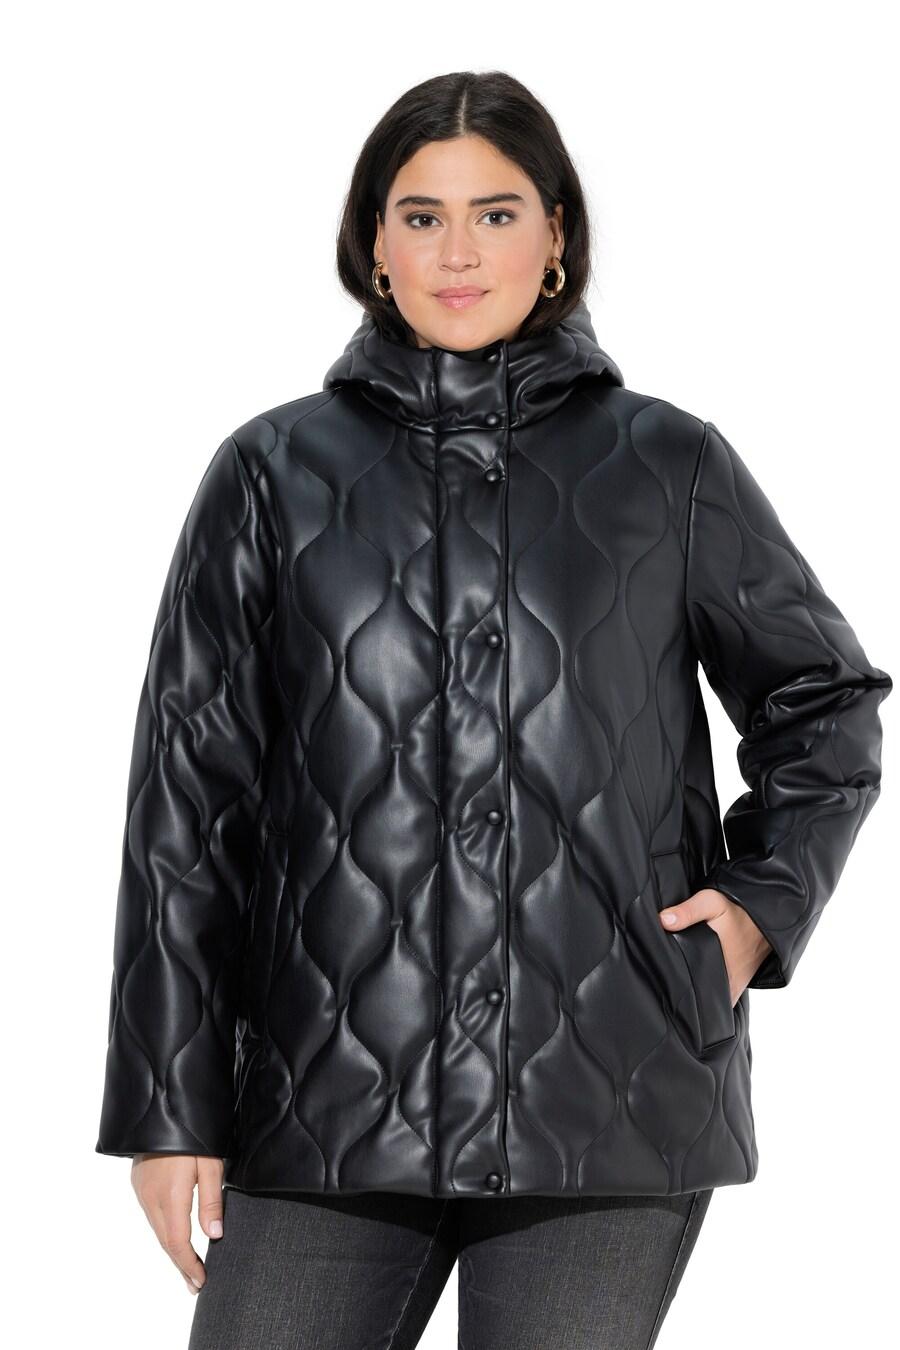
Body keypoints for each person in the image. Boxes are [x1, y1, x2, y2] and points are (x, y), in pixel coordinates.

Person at [95, 71, 892, 1350]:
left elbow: (826, 703)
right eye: (421, 217)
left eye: (497, 213)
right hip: (323, 1093)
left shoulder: (667, 464)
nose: (458, 253)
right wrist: (167, 1105)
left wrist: (758, 909)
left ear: (556, 234)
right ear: (373, 244)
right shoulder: (271, 474)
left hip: (609, 1084)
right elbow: (189, 806)